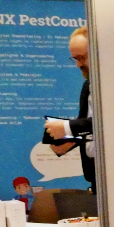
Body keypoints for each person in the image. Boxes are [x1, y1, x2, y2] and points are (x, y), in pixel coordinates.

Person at [44, 26, 96, 193]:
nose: (78, 64)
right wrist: (70, 140)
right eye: (75, 59)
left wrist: (67, 128)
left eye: (81, 58)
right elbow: (90, 126)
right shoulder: (87, 86)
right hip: (95, 175)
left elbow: (112, 121)